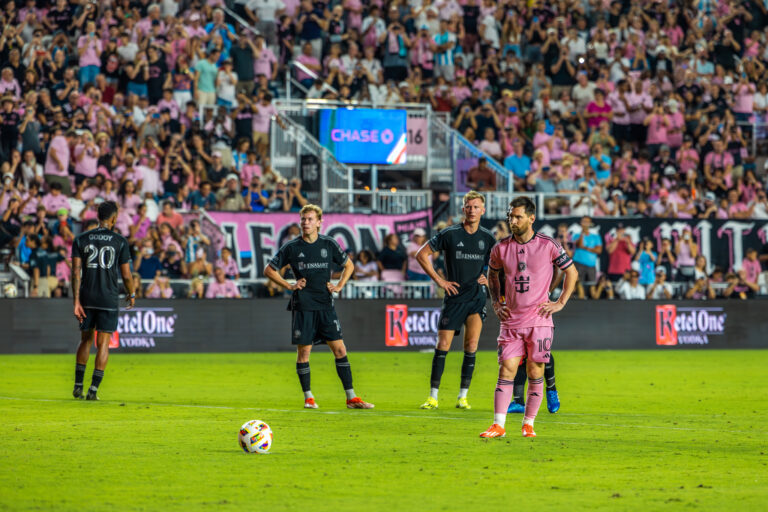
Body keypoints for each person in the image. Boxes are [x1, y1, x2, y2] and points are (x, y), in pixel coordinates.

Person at [481, 196, 577, 439]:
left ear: (531, 218)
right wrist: (495, 301)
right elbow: (493, 276)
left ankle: (529, 424)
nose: (512, 221)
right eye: (510, 216)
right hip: (511, 320)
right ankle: (498, 425)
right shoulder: (500, 248)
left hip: (539, 320)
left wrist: (560, 303)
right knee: (506, 370)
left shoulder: (549, 245)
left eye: (517, 216)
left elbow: (571, 272)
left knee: (535, 372)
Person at [264, 204, 374, 410]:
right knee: (304, 353)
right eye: (303, 219)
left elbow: (348, 265)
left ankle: (351, 398)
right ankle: (309, 397)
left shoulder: (328, 244)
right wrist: (289, 285)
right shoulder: (292, 247)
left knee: (340, 349)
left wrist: (339, 285)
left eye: (310, 219)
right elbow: (269, 269)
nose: (305, 223)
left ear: (319, 222)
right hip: (303, 306)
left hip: (325, 305)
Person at [415, 191, 496, 410]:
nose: (472, 210)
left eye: (476, 207)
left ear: (483, 210)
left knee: (471, 345)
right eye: (468, 206)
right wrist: (440, 281)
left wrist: (489, 278)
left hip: (476, 298)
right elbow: (421, 255)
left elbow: (502, 263)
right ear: (463, 209)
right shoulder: (450, 234)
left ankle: (463, 397)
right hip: (453, 298)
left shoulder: (488, 237)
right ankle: (433, 397)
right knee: (443, 345)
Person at [71, 201, 135, 401]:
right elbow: (126, 275)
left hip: (87, 297)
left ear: (98, 216)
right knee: (103, 343)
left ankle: (78, 386)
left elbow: (75, 272)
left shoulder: (81, 239)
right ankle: (93, 390)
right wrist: (131, 293)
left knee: (85, 340)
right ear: (114, 218)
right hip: (108, 298)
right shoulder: (120, 241)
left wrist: (76, 301)